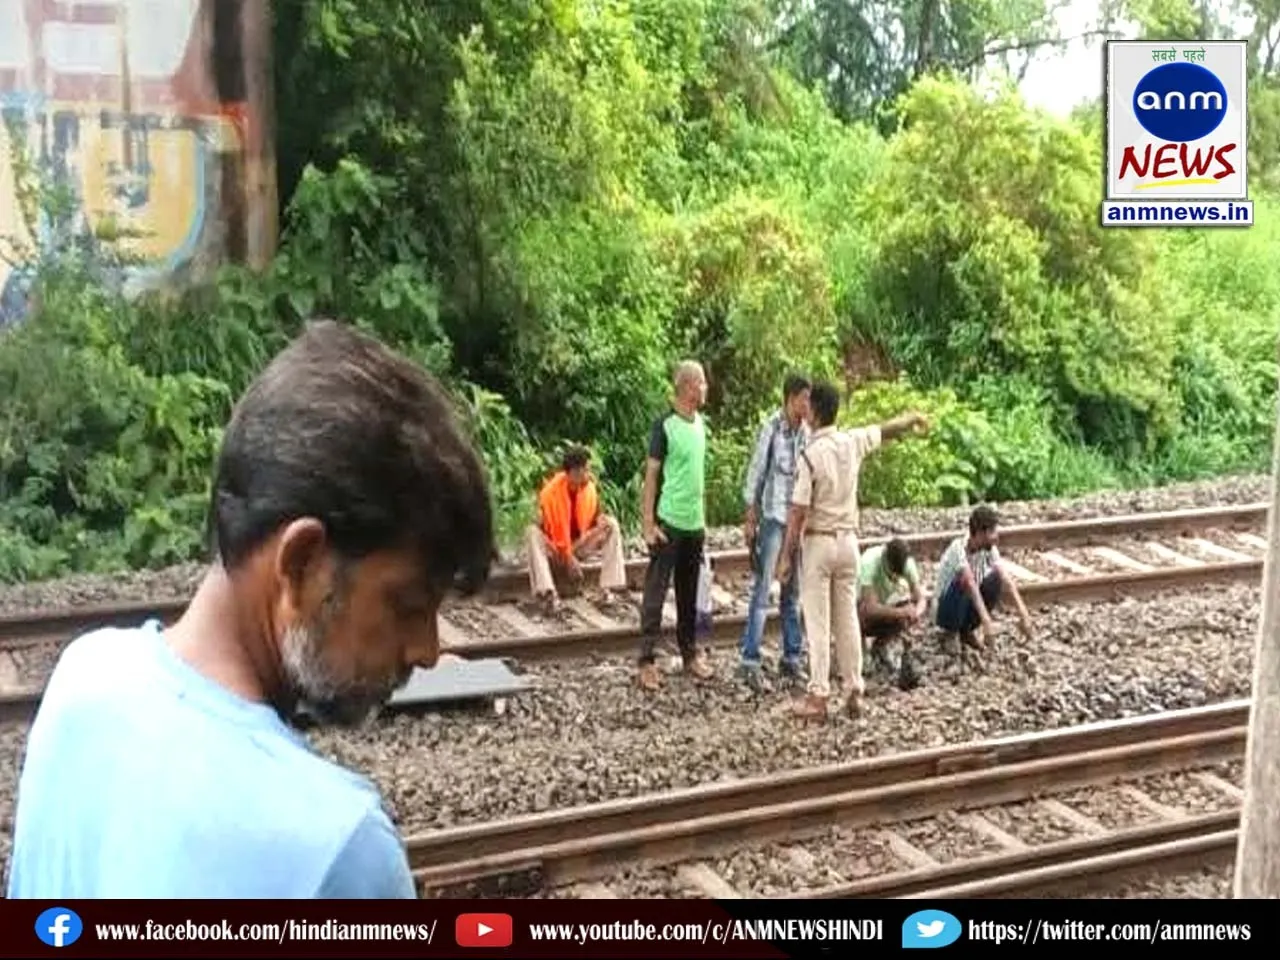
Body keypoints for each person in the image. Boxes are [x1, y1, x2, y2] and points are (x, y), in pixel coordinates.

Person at [8, 320, 495, 899]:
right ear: (302, 563)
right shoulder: (337, 849)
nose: (428, 650)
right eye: (408, 604)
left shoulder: (82, 677)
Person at [775, 381, 928, 721]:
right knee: (846, 618)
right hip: (849, 544)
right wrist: (911, 419)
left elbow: (798, 511)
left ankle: (818, 695)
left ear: (813, 412)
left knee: (817, 620)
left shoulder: (810, 455)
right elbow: (883, 431)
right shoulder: (851, 442)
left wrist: (786, 556)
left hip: (819, 541)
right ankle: (854, 687)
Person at [637, 360, 714, 691]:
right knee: (656, 592)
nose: (706, 388)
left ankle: (689, 652)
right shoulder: (664, 426)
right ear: (688, 387)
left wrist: (703, 520)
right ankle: (646, 660)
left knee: (688, 592)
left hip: (694, 524)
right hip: (669, 522)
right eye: (702, 383)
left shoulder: (700, 425)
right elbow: (651, 476)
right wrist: (648, 522)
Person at [738, 373, 811, 693]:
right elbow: (756, 470)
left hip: (796, 521)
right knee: (763, 589)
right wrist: (750, 514)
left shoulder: (806, 433)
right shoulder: (772, 428)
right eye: (804, 399)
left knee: (792, 592)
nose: (808, 405)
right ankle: (750, 659)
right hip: (773, 516)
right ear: (791, 398)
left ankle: (791, 656)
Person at [525, 445, 627, 612]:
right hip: (556, 549)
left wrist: (600, 521)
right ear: (574, 472)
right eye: (586, 470)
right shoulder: (551, 493)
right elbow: (555, 532)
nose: (589, 473)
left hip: (579, 545)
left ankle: (609, 588)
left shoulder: (588, 488)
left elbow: (595, 516)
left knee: (611, 524)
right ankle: (547, 594)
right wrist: (568, 558)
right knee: (531, 532)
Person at [934, 505, 1033, 652]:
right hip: (945, 609)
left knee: (995, 579)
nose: (996, 536)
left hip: (966, 602)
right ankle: (950, 632)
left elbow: (1005, 577)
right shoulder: (958, 548)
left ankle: (966, 631)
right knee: (963, 581)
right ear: (980, 533)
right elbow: (970, 583)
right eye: (992, 531)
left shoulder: (988, 549)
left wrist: (1023, 613)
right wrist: (987, 622)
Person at [858, 538, 927, 689]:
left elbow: (921, 599)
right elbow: (869, 608)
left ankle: (880, 647)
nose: (895, 578)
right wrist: (901, 612)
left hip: (885, 605)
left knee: (905, 608)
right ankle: (860, 651)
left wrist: (915, 612)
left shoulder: (907, 563)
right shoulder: (870, 562)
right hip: (860, 609)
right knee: (862, 611)